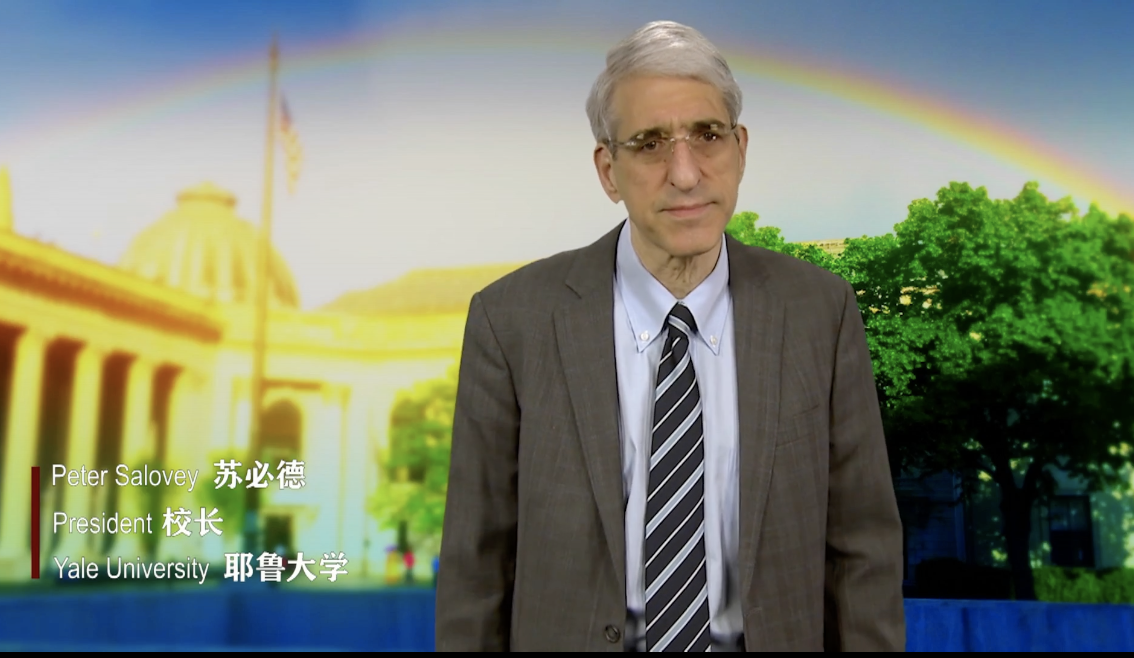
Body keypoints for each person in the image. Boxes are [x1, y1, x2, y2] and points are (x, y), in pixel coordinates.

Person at [435, 20, 906, 652]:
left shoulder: (820, 311)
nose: (685, 174)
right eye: (650, 143)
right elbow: (476, 563)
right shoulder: (512, 320)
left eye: (708, 135)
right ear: (608, 170)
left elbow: (863, 548)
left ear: (740, 149)